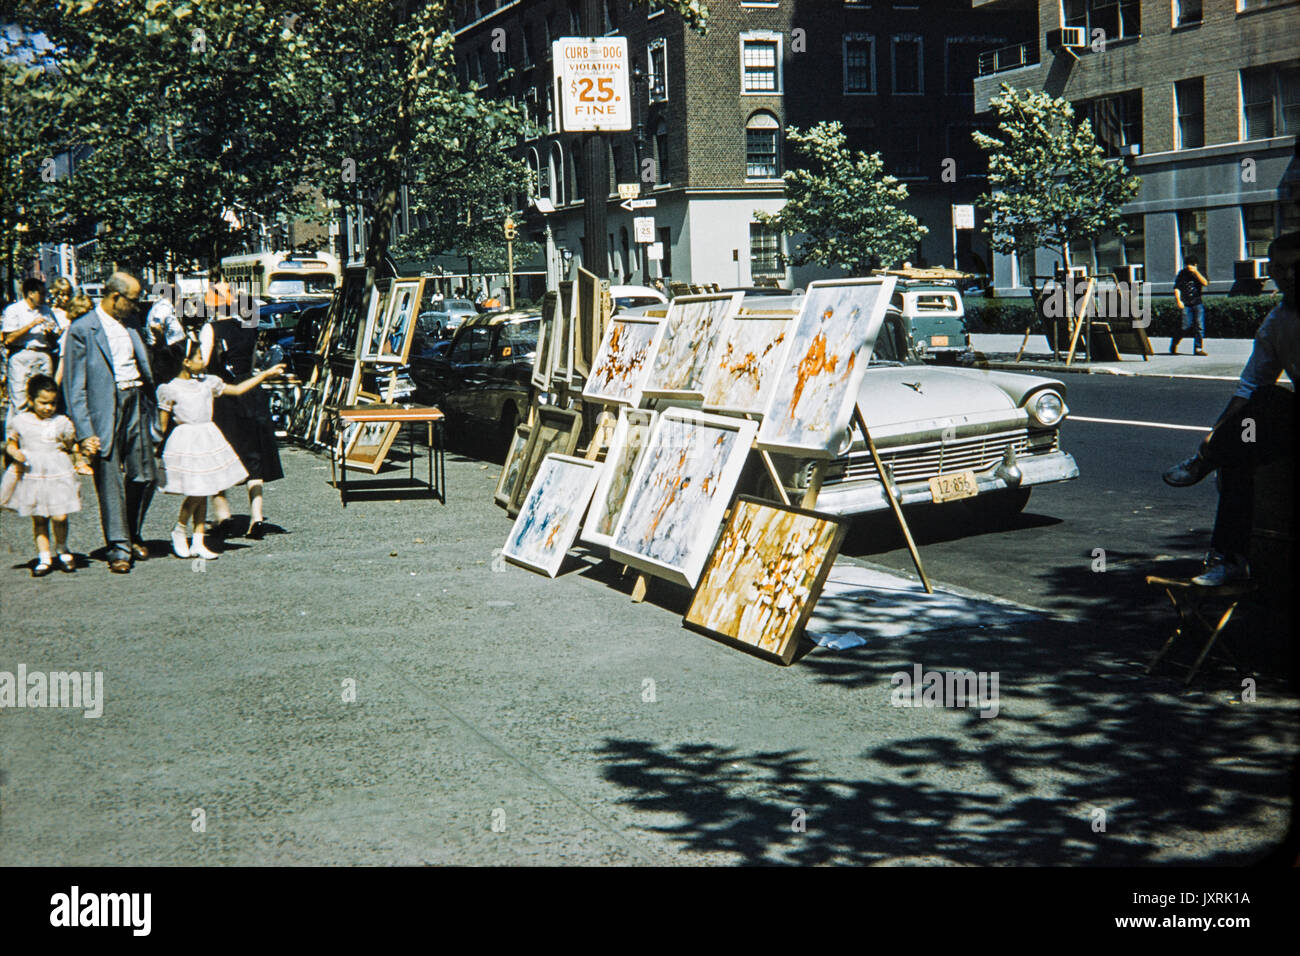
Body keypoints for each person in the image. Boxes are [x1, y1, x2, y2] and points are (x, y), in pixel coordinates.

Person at [1162, 231, 1299, 585]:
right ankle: (1230, 557)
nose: (1289, 277)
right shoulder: (1278, 322)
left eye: (1298, 267)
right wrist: (1217, 436)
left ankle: (1209, 461)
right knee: (1249, 432)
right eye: (1281, 269)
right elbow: (1251, 385)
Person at [61, 271, 157, 574]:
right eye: (134, 300)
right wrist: (85, 431)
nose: (137, 306)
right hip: (105, 408)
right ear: (115, 297)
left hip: (136, 400)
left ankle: (131, 532)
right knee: (110, 481)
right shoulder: (82, 329)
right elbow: (74, 387)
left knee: (145, 474)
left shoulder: (130, 324)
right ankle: (119, 547)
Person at [156, 338, 285, 559]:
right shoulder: (170, 389)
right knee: (197, 490)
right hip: (186, 440)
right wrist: (156, 450)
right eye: (198, 357)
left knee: (205, 489)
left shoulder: (208, 382)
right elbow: (162, 424)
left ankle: (198, 540)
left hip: (207, 437)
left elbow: (236, 390)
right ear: (186, 362)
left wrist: (263, 375)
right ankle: (179, 528)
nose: (203, 360)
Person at [206, 297, 285, 539]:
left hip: (224, 395)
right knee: (254, 458)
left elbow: (203, 362)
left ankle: (224, 516)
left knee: (219, 453)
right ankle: (257, 518)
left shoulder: (211, 329)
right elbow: (252, 364)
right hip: (251, 392)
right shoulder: (250, 329)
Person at [1, 374, 82, 575]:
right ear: (31, 400)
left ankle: (62, 549)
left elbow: (71, 444)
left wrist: (78, 458)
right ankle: (44, 556)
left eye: (52, 403)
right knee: (39, 517)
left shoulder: (61, 421)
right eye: (43, 403)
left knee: (59, 515)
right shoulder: (21, 421)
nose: (48, 408)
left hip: (56, 472)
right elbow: (11, 444)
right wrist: (15, 453)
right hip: (32, 473)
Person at [3, 278, 60, 433]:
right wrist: (31, 325)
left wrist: (50, 334)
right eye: (41, 294)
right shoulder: (14, 310)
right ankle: (16, 438)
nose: (44, 297)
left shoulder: (46, 310)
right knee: (20, 398)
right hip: (22, 354)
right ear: (30, 294)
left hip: (43, 354)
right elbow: (8, 339)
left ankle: (40, 434)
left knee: (43, 395)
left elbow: (55, 340)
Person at [1171, 255, 1209, 356]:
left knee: (1199, 326)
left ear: (1195, 265)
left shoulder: (1199, 273)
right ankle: (1174, 343)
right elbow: (1177, 288)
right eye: (1188, 264)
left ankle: (1198, 348)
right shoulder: (1182, 274)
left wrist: (1196, 272)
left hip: (1197, 303)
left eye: (1192, 264)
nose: (1189, 267)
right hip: (1186, 304)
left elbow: (1205, 283)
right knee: (1185, 326)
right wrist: (1179, 301)